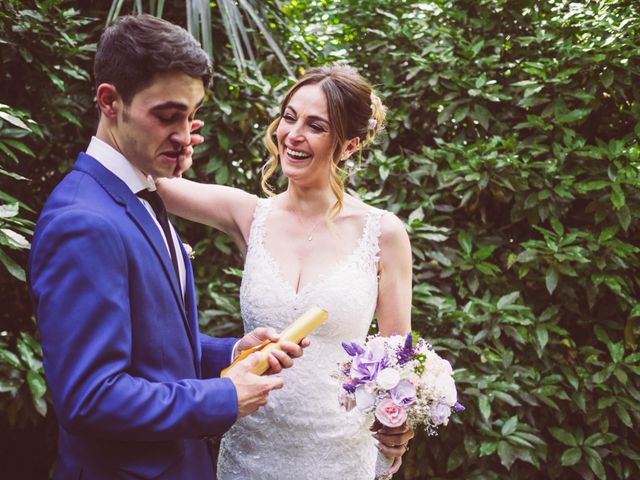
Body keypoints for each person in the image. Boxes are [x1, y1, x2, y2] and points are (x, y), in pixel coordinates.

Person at [27, 14, 306, 480]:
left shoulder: (137, 195)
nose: (184, 134)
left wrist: (232, 353)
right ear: (110, 101)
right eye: (167, 116)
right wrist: (223, 397)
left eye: (192, 116)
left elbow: (150, 348)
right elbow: (91, 397)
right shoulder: (83, 222)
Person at [157, 63, 415, 479]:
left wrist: (399, 425)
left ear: (348, 146)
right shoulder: (247, 214)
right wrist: (178, 144)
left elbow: (397, 356)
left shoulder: (382, 233)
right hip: (250, 455)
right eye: (289, 117)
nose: (293, 135)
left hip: (341, 458)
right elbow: (151, 182)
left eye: (316, 126)